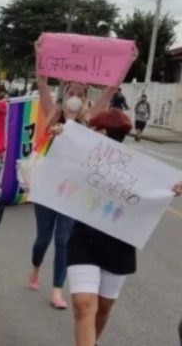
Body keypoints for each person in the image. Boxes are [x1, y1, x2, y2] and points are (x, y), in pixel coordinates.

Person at [64, 109, 182, 346]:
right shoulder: (81, 155)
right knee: (83, 303)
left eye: (96, 129)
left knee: (103, 307)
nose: (91, 133)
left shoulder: (137, 168)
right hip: (84, 238)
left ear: (105, 132)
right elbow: (56, 167)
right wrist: (55, 139)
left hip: (120, 242)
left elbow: (155, 190)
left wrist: (172, 187)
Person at [30, 75, 117, 309]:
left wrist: (127, 61)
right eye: (72, 93)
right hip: (47, 187)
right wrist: (41, 55)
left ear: (87, 99)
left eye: (81, 94)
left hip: (71, 191)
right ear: (64, 95)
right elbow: (41, 83)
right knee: (43, 239)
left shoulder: (89, 121)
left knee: (63, 241)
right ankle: (35, 268)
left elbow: (111, 90)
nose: (75, 98)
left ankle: (57, 290)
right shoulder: (53, 113)